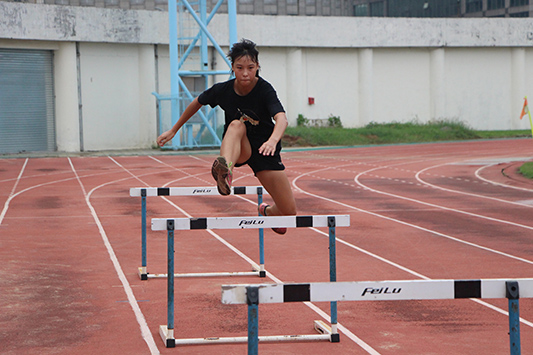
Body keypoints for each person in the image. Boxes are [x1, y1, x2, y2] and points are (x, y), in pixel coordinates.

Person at [157, 39, 296, 234]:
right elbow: (197, 102)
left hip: (265, 150)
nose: (245, 73)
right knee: (236, 124)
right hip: (240, 147)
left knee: (289, 213)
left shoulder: (265, 90)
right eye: (239, 68)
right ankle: (225, 170)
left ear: (257, 67)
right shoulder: (223, 90)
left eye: (250, 67)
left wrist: (273, 140)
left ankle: (266, 211)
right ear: (232, 68)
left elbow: (281, 118)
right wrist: (174, 130)